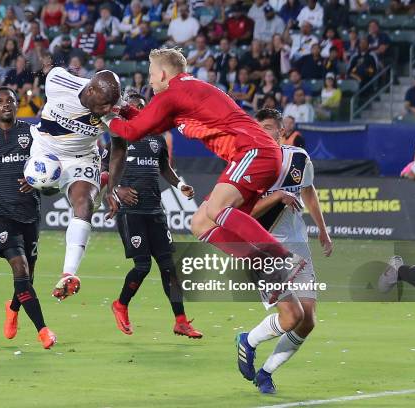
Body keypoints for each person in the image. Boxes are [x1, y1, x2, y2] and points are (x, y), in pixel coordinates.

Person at [97, 48, 308, 288]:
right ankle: (269, 269)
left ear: (164, 73)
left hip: (253, 151)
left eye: (151, 74)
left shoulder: (173, 94)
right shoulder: (184, 92)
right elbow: (149, 124)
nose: (150, 80)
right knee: (200, 224)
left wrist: (105, 117)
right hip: (256, 153)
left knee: (217, 208)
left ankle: (284, 259)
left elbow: (133, 132)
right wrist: (123, 109)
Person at [236, 108, 332, 394]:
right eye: (259, 128)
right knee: (291, 317)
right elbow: (241, 213)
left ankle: (265, 373)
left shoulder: (298, 159)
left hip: (297, 246)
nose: (263, 133)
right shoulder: (246, 164)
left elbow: (308, 191)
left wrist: (323, 231)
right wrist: (277, 196)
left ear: (280, 131)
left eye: (268, 128)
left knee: (308, 320)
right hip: (262, 249)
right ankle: (248, 340)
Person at [101, 93, 202, 339]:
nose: (136, 110)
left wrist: (180, 186)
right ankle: (121, 304)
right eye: (132, 107)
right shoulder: (118, 139)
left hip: (155, 210)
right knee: (143, 265)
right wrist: (116, 189)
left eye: (141, 107)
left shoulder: (157, 140)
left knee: (169, 267)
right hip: (130, 212)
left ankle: (180, 321)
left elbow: (165, 169)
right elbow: (102, 173)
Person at [0, 87, 56, 349]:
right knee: (20, 268)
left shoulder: (32, 133)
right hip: (1, 214)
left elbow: (48, 166)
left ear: (17, 105)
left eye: (10, 101)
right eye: (0, 101)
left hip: (30, 212)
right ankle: (43, 331)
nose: (6, 104)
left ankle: (14, 307)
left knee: (27, 277)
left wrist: (37, 183)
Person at [34, 68, 127, 300]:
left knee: (84, 204)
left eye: (111, 105)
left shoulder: (114, 109)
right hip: (45, 148)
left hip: (82, 157)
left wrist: (113, 187)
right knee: (40, 189)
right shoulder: (57, 81)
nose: (107, 109)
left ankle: (68, 274)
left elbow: (120, 148)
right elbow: (49, 67)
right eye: (104, 103)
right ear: (91, 89)